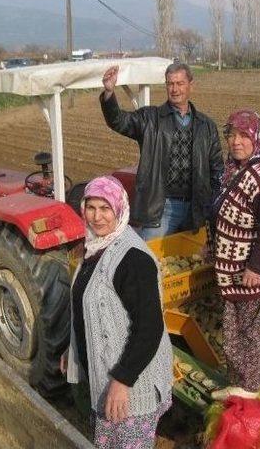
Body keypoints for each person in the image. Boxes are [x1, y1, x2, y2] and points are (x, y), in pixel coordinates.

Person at [60, 176, 173, 449]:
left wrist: (123, 380)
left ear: (119, 209)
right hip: (109, 376)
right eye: (91, 207)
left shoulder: (133, 259)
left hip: (133, 385)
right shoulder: (96, 246)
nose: (97, 217)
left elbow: (149, 328)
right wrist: (73, 345)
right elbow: (88, 305)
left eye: (105, 209)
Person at [206, 109, 260, 400]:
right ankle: (240, 384)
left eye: (244, 135)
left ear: (257, 137)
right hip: (235, 267)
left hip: (252, 271)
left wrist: (256, 267)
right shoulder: (238, 169)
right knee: (237, 329)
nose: (236, 142)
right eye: (232, 135)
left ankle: (249, 391)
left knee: (250, 331)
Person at [100, 62, 224, 240]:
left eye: (180, 83)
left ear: (191, 85)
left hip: (195, 209)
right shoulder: (150, 119)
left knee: (190, 262)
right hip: (160, 208)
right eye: (170, 84)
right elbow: (118, 120)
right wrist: (109, 93)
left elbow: (217, 170)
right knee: (151, 260)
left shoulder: (206, 126)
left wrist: (215, 206)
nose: (174, 89)